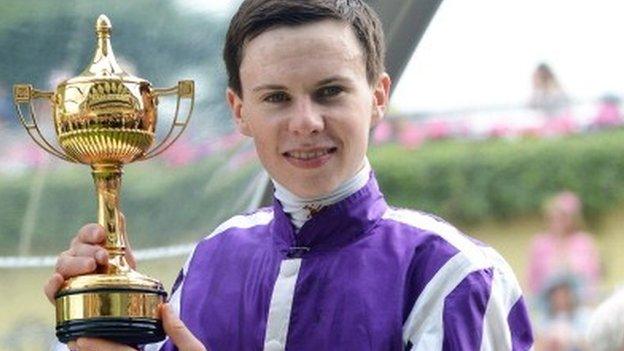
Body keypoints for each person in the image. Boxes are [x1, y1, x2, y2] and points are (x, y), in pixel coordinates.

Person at [45, 1, 533, 350]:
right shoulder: (212, 258)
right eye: (276, 97)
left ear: (378, 96)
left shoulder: (453, 278)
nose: (305, 122)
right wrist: (105, 322)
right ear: (240, 111)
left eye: (330, 91)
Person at [527, 191, 601, 303]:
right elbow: (532, 279)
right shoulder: (539, 243)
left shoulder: (584, 242)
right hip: (547, 307)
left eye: (563, 217)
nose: (558, 221)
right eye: (554, 217)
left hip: (579, 306)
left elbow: (593, 276)